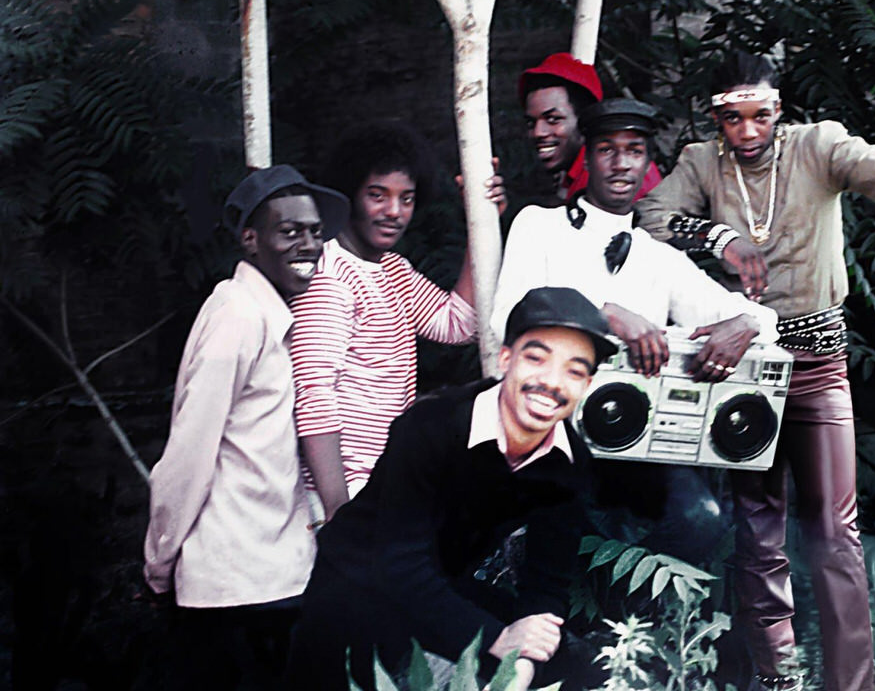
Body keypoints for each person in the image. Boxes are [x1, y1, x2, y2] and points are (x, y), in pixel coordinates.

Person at [637, 52, 875, 691]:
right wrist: (718, 239)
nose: (747, 132)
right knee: (758, 530)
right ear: (715, 117)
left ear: (780, 110)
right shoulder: (701, 163)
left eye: (760, 116)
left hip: (821, 360)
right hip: (741, 368)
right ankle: (779, 679)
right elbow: (652, 218)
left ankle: (850, 684)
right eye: (732, 119)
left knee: (835, 531)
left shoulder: (817, 146)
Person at [286, 287, 618, 691]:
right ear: (506, 358)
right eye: (537, 358)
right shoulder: (430, 427)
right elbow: (400, 565)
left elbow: (547, 582)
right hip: (356, 590)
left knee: (571, 659)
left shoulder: (569, 461)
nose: (552, 382)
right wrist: (500, 641)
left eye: (574, 370)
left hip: (440, 596)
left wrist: (526, 658)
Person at [491, 96, 779, 560]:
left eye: (634, 150)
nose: (621, 163)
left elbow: (765, 322)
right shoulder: (538, 226)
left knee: (701, 519)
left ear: (648, 162)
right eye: (607, 149)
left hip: (629, 446)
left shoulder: (660, 257)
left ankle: (626, 619)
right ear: (586, 155)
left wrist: (743, 323)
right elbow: (507, 316)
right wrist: (606, 314)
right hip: (547, 434)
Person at [142, 165, 350, 690]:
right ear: (250, 240)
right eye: (289, 231)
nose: (308, 244)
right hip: (230, 592)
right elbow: (189, 454)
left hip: (277, 580)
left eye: (315, 231)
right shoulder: (235, 315)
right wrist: (160, 563)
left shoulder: (271, 314)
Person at [289, 122, 503, 521]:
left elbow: (458, 325)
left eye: (406, 199)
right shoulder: (329, 274)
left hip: (384, 483)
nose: (394, 212)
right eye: (377, 195)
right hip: (342, 494)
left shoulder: (393, 270)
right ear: (348, 195)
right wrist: (340, 514)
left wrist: (479, 220)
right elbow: (315, 398)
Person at [520, 51, 662, 203]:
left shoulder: (614, 175)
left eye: (553, 119)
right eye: (531, 123)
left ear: (585, 121)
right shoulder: (583, 173)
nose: (537, 132)